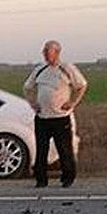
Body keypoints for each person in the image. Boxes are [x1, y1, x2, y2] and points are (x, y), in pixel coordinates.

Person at [23, 39, 87, 188]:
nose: (45, 54)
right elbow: (27, 87)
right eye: (44, 51)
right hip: (42, 117)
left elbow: (82, 85)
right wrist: (33, 103)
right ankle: (41, 179)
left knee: (64, 149)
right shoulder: (39, 69)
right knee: (41, 149)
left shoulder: (67, 68)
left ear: (57, 52)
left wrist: (73, 102)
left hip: (61, 117)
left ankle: (68, 178)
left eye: (48, 51)